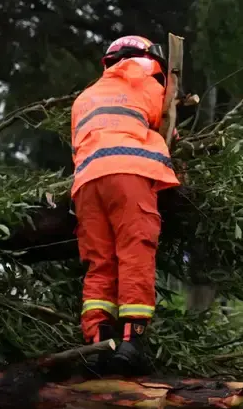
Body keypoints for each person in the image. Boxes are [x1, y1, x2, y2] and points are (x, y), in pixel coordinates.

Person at [70, 35, 180, 376]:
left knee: (99, 262)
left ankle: (97, 344)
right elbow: (164, 123)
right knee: (135, 250)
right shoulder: (144, 79)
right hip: (128, 173)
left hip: (87, 183)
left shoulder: (85, 98)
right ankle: (132, 342)